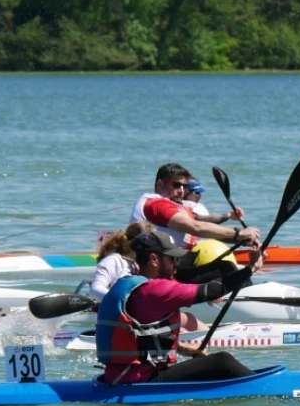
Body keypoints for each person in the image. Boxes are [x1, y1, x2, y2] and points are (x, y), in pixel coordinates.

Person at [96, 230, 263, 384]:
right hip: (139, 379)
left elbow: (140, 335)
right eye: (172, 258)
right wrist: (252, 267)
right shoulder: (154, 289)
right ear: (154, 259)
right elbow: (211, 290)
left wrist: (182, 349)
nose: (177, 264)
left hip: (118, 376)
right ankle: (263, 385)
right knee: (223, 361)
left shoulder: (127, 284)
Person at [130, 163, 259, 283]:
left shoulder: (173, 206)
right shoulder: (157, 205)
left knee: (227, 267)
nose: (181, 191)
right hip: (160, 270)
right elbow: (196, 227)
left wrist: (240, 237)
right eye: (176, 185)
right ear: (160, 185)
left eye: (184, 187)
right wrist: (239, 233)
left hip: (176, 261)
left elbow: (201, 220)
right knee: (227, 268)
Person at [90, 222, 208, 332]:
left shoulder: (147, 266)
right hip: (117, 321)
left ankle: (207, 339)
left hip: (141, 318)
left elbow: (171, 287)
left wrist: (206, 295)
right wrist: (127, 303)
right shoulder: (114, 261)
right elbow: (95, 289)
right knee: (178, 326)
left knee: (187, 318)